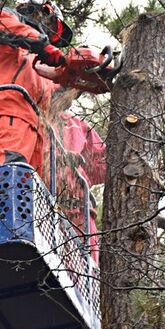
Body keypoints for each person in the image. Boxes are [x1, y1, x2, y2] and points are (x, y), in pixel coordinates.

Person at [0, 0, 73, 180]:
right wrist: (45, 47)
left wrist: (76, 78)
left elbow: (55, 97)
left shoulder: (37, 65)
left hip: (36, 128)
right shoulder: (7, 19)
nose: (51, 33)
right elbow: (5, 27)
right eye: (53, 25)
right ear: (41, 11)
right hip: (10, 110)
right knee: (9, 174)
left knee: (29, 189)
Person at [59, 111, 106, 262]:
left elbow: (103, 168)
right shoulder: (30, 118)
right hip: (44, 206)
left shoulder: (77, 125)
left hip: (80, 212)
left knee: (84, 270)